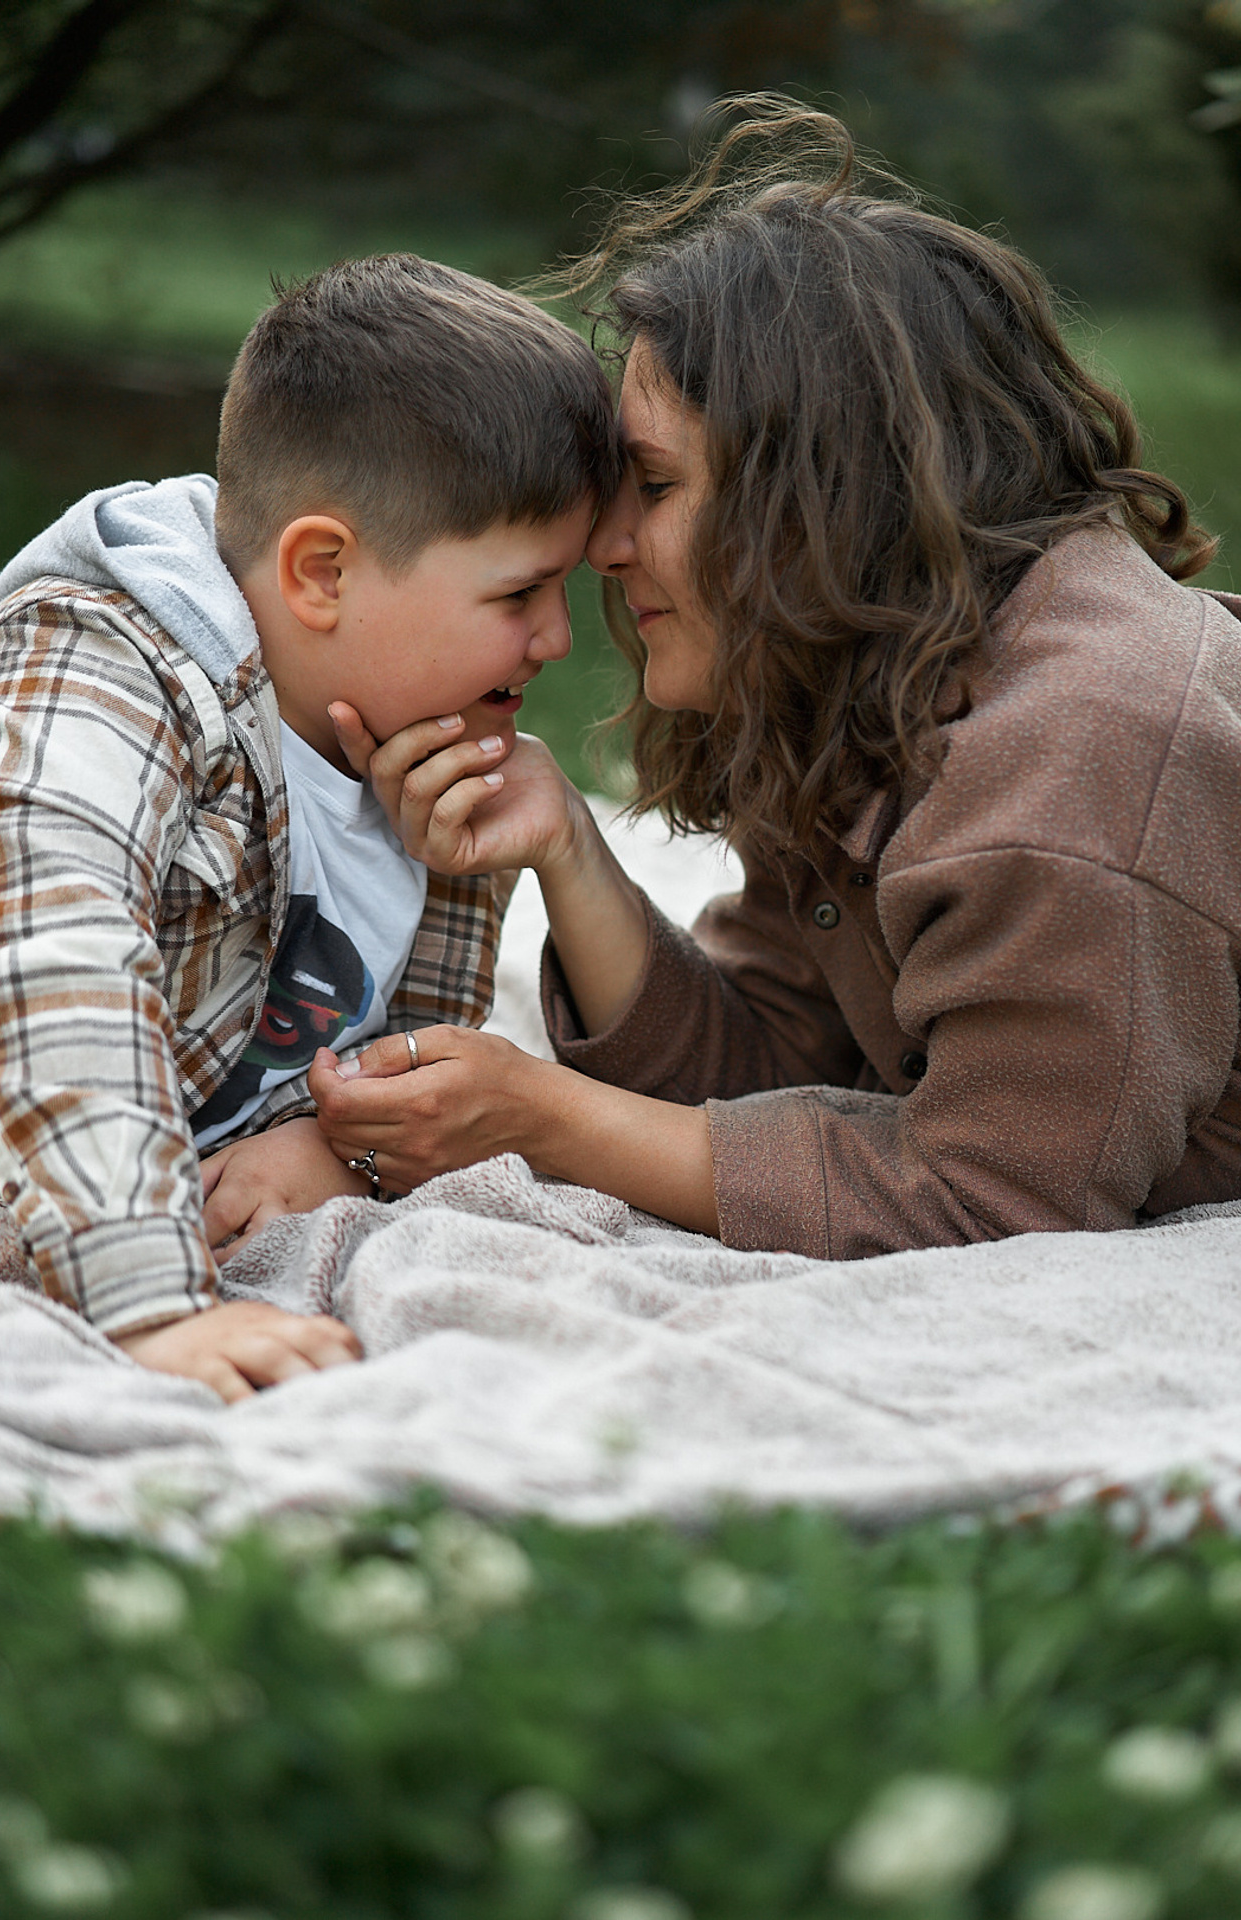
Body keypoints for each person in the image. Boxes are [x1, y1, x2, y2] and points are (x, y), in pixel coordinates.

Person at [309, 99, 1241, 1259]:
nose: (604, 546)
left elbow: (996, 1201)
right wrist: (566, 848)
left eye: (652, 486)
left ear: (814, 495)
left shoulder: (1081, 746)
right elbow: (774, 1073)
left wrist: (540, 1115)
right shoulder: (881, 676)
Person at [0, 252, 619, 1399]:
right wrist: (151, 1306)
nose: (556, 637)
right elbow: (49, 956)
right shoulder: (101, 673)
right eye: (518, 594)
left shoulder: (412, 738)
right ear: (321, 571)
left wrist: (344, 1145)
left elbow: (391, 1047)